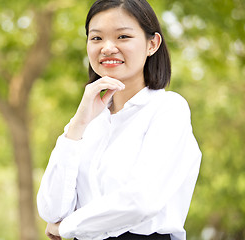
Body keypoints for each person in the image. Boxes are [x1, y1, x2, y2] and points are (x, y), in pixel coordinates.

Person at [37, 0, 202, 239]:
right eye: (96, 38)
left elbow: (141, 201)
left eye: (123, 36)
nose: (107, 48)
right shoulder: (88, 122)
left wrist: (67, 226)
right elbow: (51, 210)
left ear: (152, 44)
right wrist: (77, 125)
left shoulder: (168, 109)